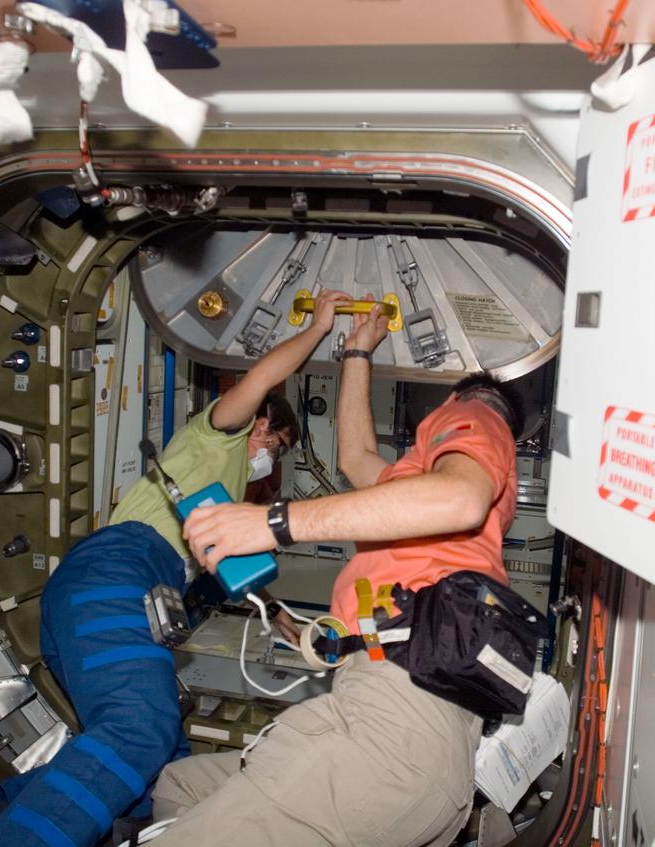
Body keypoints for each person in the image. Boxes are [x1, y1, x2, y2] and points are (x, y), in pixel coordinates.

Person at [0, 289, 351, 847]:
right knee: (139, 729)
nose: (272, 458)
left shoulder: (227, 499)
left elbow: (237, 580)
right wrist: (317, 329)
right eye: (278, 445)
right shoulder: (218, 439)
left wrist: (288, 623)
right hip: (116, 574)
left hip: (124, 592)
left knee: (165, 776)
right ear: (263, 427)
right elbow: (261, 379)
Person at [148, 303, 522, 847]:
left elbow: (460, 497)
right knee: (180, 786)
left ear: (447, 403)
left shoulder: (475, 413)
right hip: (399, 725)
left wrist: (273, 523)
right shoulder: (414, 488)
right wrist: (357, 351)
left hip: (397, 720)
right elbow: (355, 457)